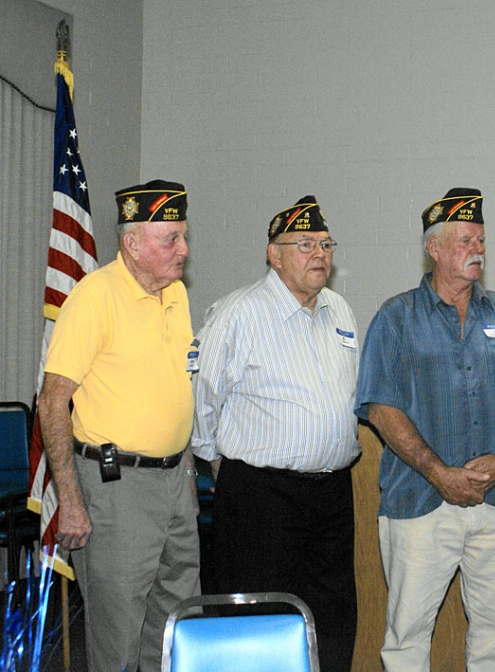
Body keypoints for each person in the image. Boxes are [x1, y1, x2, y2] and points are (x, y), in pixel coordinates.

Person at [355, 187, 495, 671]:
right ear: (434, 248)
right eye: (464, 240)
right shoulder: (396, 317)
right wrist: (438, 472)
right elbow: (379, 406)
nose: (477, 250)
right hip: (420, 503)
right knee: (407, 637)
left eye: (480, 240)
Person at [36, 179, 199, 672]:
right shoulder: (95, 297)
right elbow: (51, 401)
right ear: (132, 243)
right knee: (118, 636)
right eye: (170, 239)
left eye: (184, 236)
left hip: (177, 480)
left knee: (174, 625)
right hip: (117, 487)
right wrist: (71, 501)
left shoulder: (177, 296)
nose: (184, 250)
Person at [191, 195, 359, 670]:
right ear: (274, 253)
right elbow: (201, 395)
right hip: (262, 494)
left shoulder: (339, 310)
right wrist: (214, 458)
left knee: (332, 612)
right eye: (304, 244)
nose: (319, 254)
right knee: (260, 615)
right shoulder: (238, 312)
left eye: (325, 243)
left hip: (331, 492)